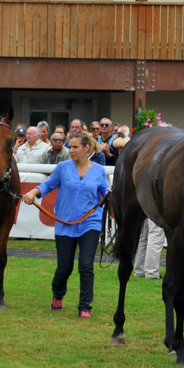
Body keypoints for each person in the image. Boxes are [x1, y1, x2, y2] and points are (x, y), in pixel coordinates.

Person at [21, 132, 110, 318]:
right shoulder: (63, 167)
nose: (71, 151)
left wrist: (111, 193)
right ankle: (58, 295)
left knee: (86, 266)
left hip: (90, 223)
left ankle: (85, 306)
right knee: (64, 268)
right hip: (65, 223)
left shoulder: (99, 170)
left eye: (75, 147)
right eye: (70, 147)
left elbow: (104, 190)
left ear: (87, 148)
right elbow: (48, 185)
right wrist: (33, 192)